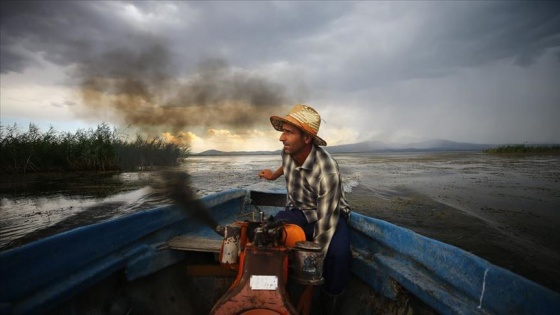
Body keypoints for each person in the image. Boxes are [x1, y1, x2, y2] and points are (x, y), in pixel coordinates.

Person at [258, 104, 352, 315]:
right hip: (297, 211)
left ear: (307, 138)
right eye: (283, 131)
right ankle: (270, 293)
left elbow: (325, 226)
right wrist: (273, 174)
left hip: (327, 215)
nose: (282, 138)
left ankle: (328, 304)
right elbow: (287, 164)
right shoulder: (288, 152)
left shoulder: (327, 170)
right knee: (267, 236)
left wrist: (309, 288)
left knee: (338, 256)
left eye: (289, 132)